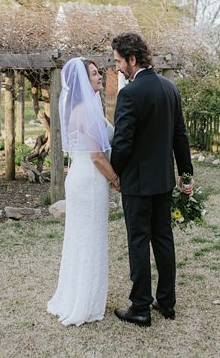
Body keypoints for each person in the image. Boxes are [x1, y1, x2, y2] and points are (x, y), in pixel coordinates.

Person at [110, 32, 194, 327]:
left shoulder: (129, 94)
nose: (118, 67)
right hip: (164, 181)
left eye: (119, 61)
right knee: (163, 239)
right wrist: (186, 175)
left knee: (137, 242)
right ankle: (167, 302)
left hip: (136, 183)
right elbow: (180, 136)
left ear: (132, 59)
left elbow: (122, 144)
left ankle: (141, 308)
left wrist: (113, 173)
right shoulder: (170, 89)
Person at [47, 57, 120, 326]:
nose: (100, 76)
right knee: (90, 237)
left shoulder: (77, 108)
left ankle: (76, 294)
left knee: (79, 237)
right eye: (94, 74)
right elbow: (98, 156)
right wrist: (116, 180)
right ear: (82, 81)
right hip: (90, 180)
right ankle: (85, 303)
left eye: (99, 73)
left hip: (78, 177)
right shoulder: (86, 111)